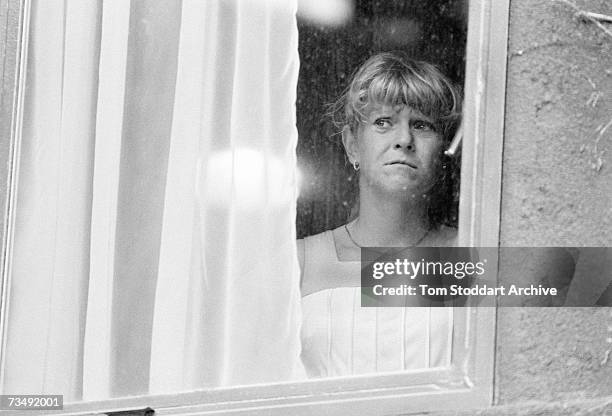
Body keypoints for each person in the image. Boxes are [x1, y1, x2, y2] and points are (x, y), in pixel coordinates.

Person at [297, 52, 462, 378]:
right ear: (352, 145)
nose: (404, 140)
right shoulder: (298, 262)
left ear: (442, 150)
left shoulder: (470, 252)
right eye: (383, 122)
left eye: (422, 125)